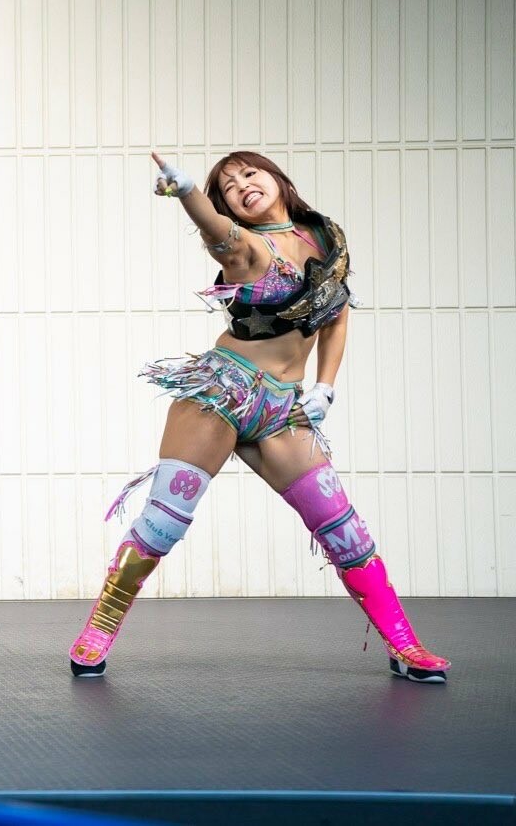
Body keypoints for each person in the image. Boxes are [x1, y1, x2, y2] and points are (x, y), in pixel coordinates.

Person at [68, 151, 449, 682]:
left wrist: (325, 388)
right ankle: (98, 630)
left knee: (346, 534)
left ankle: (404, 645)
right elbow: (216, 231)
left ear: (276, 177)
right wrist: (188, 193)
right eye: (228, 186)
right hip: (221, 394)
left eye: (249, 173)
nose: (242, 185)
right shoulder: (245, 247)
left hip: (283, 409)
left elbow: (337, 317)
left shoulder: (325, 238)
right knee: (162, 523)